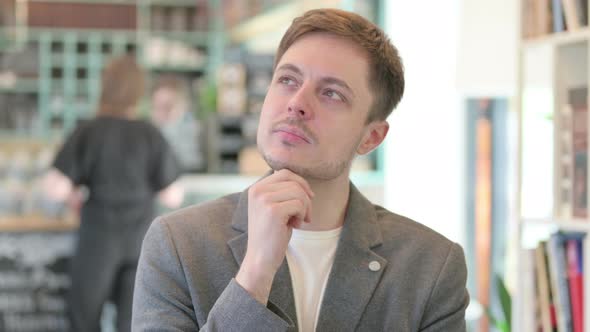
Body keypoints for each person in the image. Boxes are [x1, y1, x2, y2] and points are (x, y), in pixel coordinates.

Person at [132, 8, 469, 332]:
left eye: (332, 93)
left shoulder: (431, 267)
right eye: (288, 79)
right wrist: (254, 276)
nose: (297, 103)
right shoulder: (178, 245)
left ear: (371, 137)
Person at [42, 55, 184, 332]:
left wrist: (74, 192)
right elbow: (173, 196)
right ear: (138, 91)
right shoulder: (150, 134)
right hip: (139, 240)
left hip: (98, 239)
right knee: (133, 322)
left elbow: (54, 188)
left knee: (85, 319)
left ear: (104, 86)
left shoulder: (89, 131)